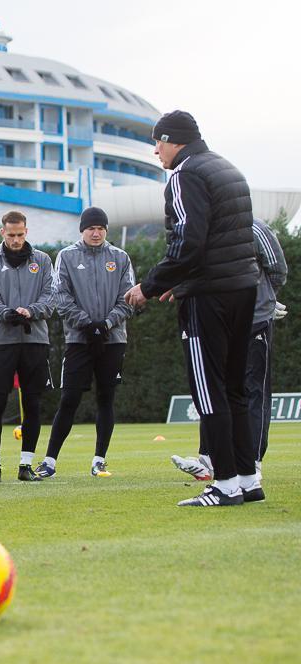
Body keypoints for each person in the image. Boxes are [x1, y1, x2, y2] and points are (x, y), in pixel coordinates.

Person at [124, 110, 259, 507]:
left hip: (209, 296)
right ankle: (248, 479)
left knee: (209, 391)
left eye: (158, 142)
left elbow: (189, 241)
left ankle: (225, 484)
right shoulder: (227, 168)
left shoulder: (185, 174)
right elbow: (221, 240)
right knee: (234, 389)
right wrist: (178, 279)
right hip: (242, 288)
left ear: (173, 140)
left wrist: (150, 286)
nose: (156, 151)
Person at [169, 218, 285, 502]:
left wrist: (263, 300)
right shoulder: (201, 228)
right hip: (219, 322)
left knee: (252, 391)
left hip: (255, 321)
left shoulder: (255, 228)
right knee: (214, 389)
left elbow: (277, 270)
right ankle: (209, 458)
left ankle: (252, 464)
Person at [32, 207, 134, 479]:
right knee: (69, 398)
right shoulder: (67, 256)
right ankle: (49, 462)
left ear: (106, 230)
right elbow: (60, 296)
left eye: (101, 228)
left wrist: (106, 324)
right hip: (79, 339)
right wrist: (88, 324)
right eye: (91, 228)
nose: (96, 233)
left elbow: (128, 298)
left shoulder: (120, 257)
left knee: (106, 398)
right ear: (82, 230)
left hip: (113, 340)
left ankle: (99, 460)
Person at [0, 210, 55, 483]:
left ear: (26, 231)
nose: (15, 239)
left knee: (33, 402)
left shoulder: (43, 261)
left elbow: (51, 296)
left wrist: (30, 311)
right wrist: (8, 313)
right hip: (2, 340)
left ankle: (26, 465)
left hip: (35, 341)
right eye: (11, 235)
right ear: (3, 232)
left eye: (20, 234)